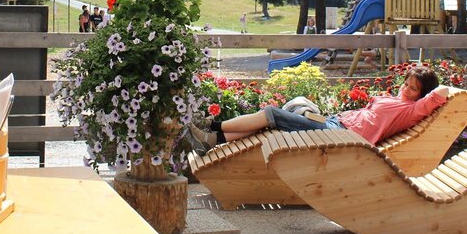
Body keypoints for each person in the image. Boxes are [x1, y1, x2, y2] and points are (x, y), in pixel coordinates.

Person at [187, 66, 449, 154]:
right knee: (277, 118)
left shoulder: (411, 109)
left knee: (272, 114)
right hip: (334, 123)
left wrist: (430, 91)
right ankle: (212, 140)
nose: (406, 90)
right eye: (406, 84)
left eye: (414, 89)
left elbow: (441, 93)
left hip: (342, 134)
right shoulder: (397, 100)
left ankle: (212, 127)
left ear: (422, 94)